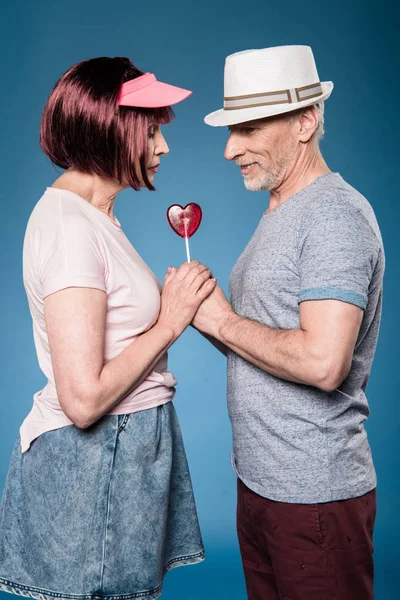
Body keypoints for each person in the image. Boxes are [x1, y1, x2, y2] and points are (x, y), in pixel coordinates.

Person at [0, 56, 216, 600]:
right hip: (98, 462)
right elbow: (83, 399)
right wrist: (169, 322)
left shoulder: (94, 217)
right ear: (108, 128)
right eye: (150, 132)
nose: (163, 147)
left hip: (118, 459)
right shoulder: (72, 228)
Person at [192, 45, 384, 599]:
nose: (230, 149)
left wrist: (225, 323)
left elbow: (324, 363)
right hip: (261, 486)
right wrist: (201, 314)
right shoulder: (281, 209)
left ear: (306, 121)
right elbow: (266, 346)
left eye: (248, 128)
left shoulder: (334, 216)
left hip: (314, 496)